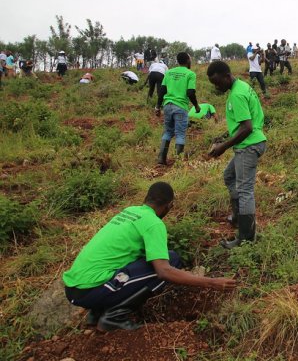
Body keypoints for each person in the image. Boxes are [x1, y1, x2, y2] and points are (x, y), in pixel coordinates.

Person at [63, 182, 237, 331]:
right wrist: (212, 283)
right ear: (169, 206)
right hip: (89, 290)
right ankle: (113, 317)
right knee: (168, 264)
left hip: (75, 287)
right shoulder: (154, 223)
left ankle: (97, 312)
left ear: (146, 199)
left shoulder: (130, 211)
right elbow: (164, 272)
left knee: (169, 257)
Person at [207, 61, 267, 247]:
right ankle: (238, 216)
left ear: (227, 76)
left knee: (245, 191)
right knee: (229, 176)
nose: (217, 87)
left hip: (248, 145)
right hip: (251, 142)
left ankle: (246, 238)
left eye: (218, 82)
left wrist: (223, 146)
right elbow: (243, 123)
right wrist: (224, 136)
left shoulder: (237, 95)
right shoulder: (242, 86)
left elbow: (247, 128)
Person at [156, 52, 199, 164]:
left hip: (167, 106)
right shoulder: (190, 74)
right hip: (180, 107)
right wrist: (196, 106)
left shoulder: (169, 72)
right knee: (180, 134)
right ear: (188, 60)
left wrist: (157, 107)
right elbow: (190, 92)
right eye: (190, 59)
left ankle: (161, 159)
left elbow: (162, 91)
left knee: (167, 132)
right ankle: (177, 163)